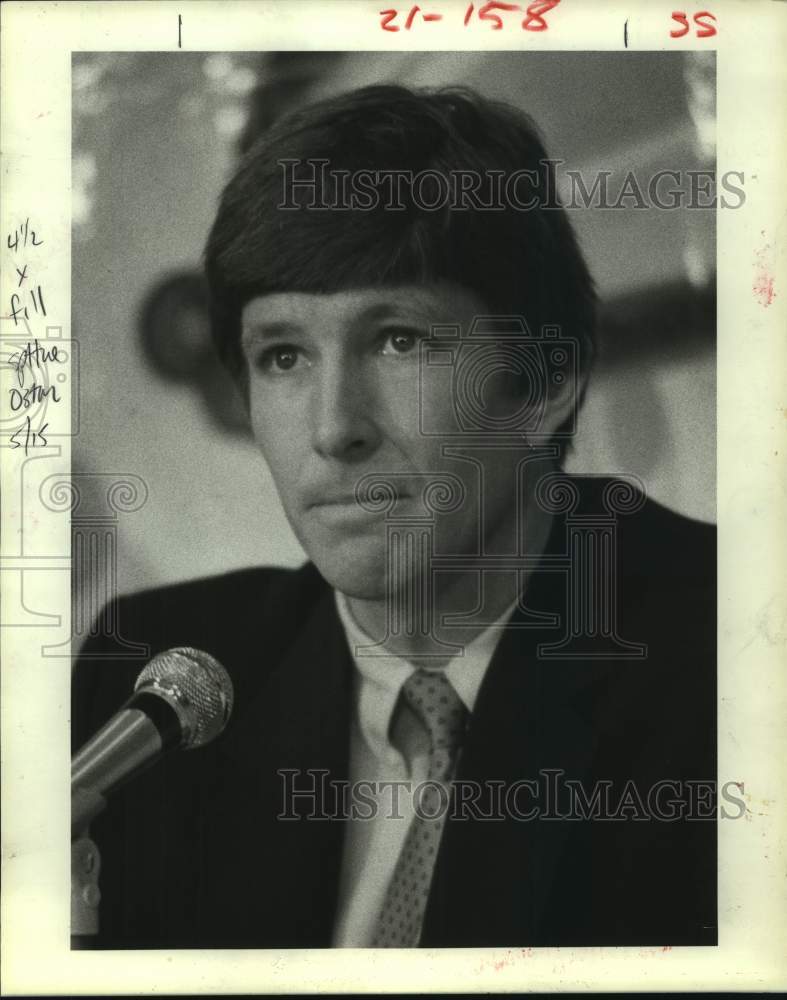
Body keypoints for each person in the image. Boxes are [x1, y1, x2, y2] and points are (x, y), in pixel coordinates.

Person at [72, 85, 716, 949]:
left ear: (544, 382)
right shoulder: (153, 676)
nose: (335, 428)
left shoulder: (732, 658)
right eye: (284, 355)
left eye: (399, 340)